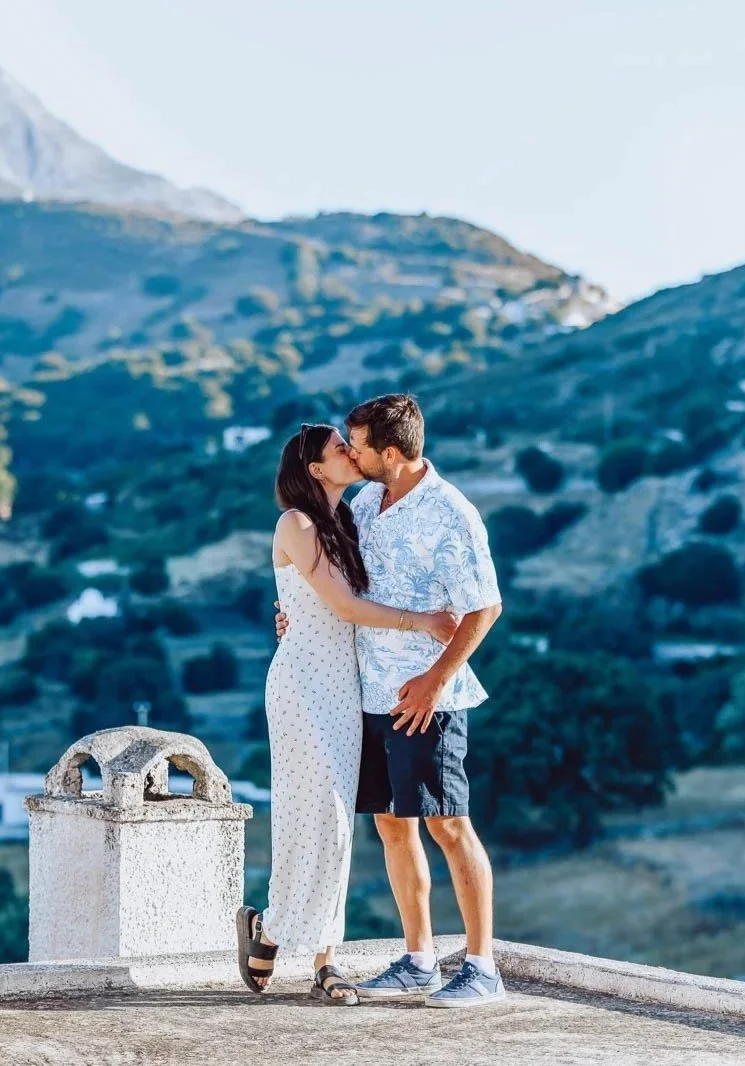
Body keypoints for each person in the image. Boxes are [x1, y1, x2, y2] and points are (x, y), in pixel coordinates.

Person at [275, 394, 506, 1008]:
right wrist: (292, 612)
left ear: (392, 452)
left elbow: (485, 607)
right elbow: (336, 584)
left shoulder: (450, 512)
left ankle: (483, 968)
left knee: (449, 825)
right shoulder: (366, 502)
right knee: (393, 827)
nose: (350, 453)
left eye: (358, 445)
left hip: (427, 697)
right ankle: (418, 959)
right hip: (365, 694)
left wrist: (433, 682)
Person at [236, 423, 458, 1006]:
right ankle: (314, 955)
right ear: (314, 468)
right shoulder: (296, 522)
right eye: (339, 448)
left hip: (345, 686)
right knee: (314, 817)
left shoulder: (351, 518)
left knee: (334, 822)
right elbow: (342, 605)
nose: (349, 452)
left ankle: (284, 935)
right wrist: (424, 623)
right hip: (303, 684)